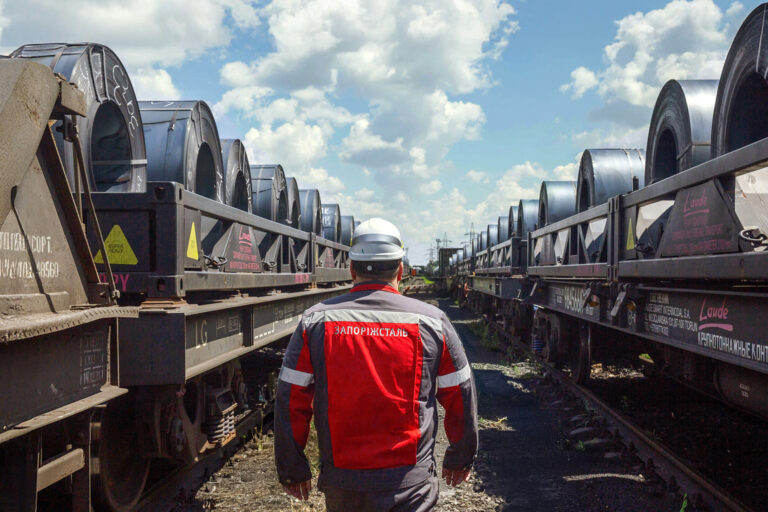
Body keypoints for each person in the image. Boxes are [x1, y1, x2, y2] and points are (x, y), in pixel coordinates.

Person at [274, 218, 478, 511]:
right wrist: (461, 456)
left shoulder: (316, 321)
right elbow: (460, 390)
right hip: (410, 484)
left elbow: (291, 396)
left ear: (351, 269)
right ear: (401, 270)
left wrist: (292, 467)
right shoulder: (432, 321)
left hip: (344, 483)